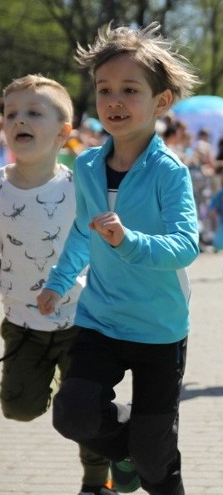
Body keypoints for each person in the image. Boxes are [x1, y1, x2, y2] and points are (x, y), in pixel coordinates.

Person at [37, 22, 201, 495]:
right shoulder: (86, 165)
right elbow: (81, 233)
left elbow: (185, 246)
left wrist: (127, 241)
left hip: (159, 327)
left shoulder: (171, 172)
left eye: (130, 90)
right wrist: (59, 280)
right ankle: (130, 443)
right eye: (105, 89)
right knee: (73, 413)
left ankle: (148, 453)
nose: (114, 100)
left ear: (161, 102)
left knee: (155, 460)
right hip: (100, 319)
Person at [1, 75, 115, 495]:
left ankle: (95, 481)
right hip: (21, 323)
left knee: (82, 411)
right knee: (18, 408)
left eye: (34, 113)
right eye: (11, 113)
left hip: (82, 322)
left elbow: (99, 244)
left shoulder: (78, 187)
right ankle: (51, 387)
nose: (20, 121)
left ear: (63, 132)